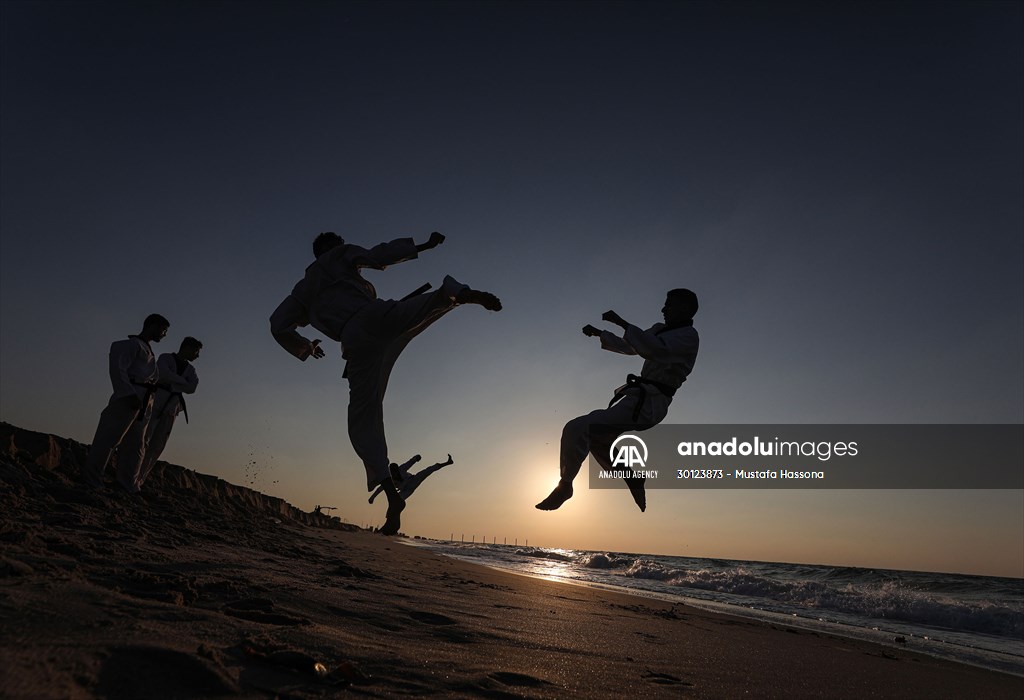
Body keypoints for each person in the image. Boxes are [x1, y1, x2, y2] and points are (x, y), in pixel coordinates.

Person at [270, 230, 500, 535]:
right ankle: (453, 292)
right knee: (417, 311)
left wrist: (305, 346)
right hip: (374, 315)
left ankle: (392, 497)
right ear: (330, 247)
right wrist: (422, 246)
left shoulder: (302, 290)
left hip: (353, 342)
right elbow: (378, 255)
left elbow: (277, 324)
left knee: (364, 419)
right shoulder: (339, 254)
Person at [536, 289, 699, 513]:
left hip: (651, 404)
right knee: (595, 437)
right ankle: (632, 479)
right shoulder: (660, 329)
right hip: (635, 399)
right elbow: (632, 346)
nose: (663, 309)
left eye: (669, 304)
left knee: (578, 428)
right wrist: (601, 333)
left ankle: (565, 486)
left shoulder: (689, 337)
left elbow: (654, 350)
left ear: (686, 308)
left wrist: (621, 322)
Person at [81, 314, 170, 492]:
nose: (164, 334)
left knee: (136, 445)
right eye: (163, 330)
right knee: (108, 439)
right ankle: (92, 479)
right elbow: (117, 369)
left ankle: (128, 483)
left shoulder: (149, 351)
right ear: (152, 325)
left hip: (145, 400)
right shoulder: (129, 345)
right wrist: (127, 393)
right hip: (129, 395)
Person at [135, 336, 202, 490]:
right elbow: (163, 373)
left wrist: (175, 382)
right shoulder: (166, 358)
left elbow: (193, 388)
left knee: (158, 445)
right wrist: (182, 382)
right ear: (187, 348)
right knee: (143, 439)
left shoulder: (191, 370)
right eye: (196, 351)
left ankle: (140, 480)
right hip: (156, 402)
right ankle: (131, 475)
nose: (197, 356)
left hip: (172, 407)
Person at [368, 453, 455, 504]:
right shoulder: (388, 478)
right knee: (396, 502)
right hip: (405, 491)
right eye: (394, 472)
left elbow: (409, 463)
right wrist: (372, 498)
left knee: (427, 471)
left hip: (412, 480)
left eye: (396, 472)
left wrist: (415, 458)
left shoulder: (401, 469)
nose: (395, 474)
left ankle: (447, 463)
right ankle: (389, 520)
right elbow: (380, 488)